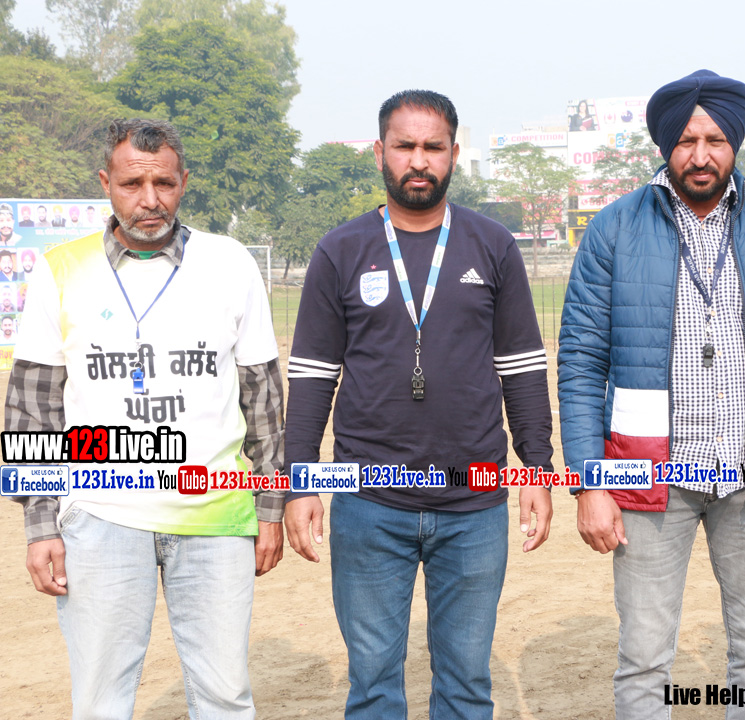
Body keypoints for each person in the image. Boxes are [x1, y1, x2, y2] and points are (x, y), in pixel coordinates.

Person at [558, 69, 745, 720]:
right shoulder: (613, 230)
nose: (701, 154)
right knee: (644, 659)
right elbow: (580, 365)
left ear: (735, 143)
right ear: (665, 146)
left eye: (715, 139)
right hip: (647, 481)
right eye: (686, 140)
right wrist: (588, 483)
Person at [284, 89, 554, 720]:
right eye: (405, 146)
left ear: (454, 154)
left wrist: (537, 467)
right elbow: (313, 375)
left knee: (466, 685)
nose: (419, 160)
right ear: (380, 152)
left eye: (433, 147)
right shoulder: (341, 250)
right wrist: (300, 481)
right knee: (374, 686)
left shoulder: (492, 245)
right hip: (368, 502)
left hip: (474, 504)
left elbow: (521, 366)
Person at [6, 118, 286, 719]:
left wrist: (269, 509)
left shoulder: (230, 263)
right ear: (106, 183)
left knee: (225, 695)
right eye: (133, 183)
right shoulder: (60, 269)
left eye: (164, 183)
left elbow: (263, 398)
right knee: (100, 701)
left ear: (184, 182)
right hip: (100, 515)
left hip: (216, 514)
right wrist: (41, 525)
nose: (150, 199)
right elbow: (31, 409)